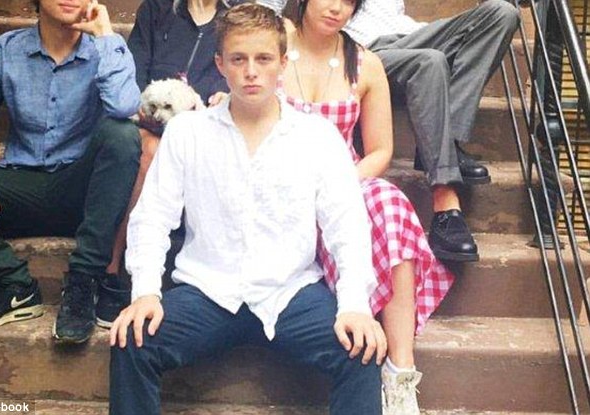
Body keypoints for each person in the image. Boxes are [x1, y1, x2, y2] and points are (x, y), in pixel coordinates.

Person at [109, 4, 385, 415]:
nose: (251, 72)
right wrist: (146, 291)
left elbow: (347, 227)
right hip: (208, 289)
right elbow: (152, 218)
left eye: (263, 59)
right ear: (220, 64)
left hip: (290, 292)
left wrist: (355, 305)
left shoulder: (317, 136)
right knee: (132, 341)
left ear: (283, 63)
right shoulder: (188, 132)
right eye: (238, 59)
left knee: (361, 349)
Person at [274, 0, 456, 413]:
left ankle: (400, 371)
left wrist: (338, 186)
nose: (337, 8)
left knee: (389, 201)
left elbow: (380, 151)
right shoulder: (275, 42)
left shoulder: (365, 63)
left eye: (349, 1)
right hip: (277, 185)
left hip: (342, 183)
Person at [261, 0, 520, 263]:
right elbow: (263, 10)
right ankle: (445, 203)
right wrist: (288, 28)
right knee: (430, 62)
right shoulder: (337, 23)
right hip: (366, 50)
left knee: (502, 13)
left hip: (412, 38)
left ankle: (447, 140)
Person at [0, 0, 141, 344]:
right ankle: (16, 286)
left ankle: (84, 281)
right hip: (19, 189)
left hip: (81, 194)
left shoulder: (106, 48)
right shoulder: (7, 49)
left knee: (123, 134)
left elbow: (124, 106)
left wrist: (105, 34)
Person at [104, 0, 240, 281]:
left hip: (205, 128)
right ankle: (114, 267)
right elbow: (135, 73)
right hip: (151, 123)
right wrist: (145, 108)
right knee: (149, 151)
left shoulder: (236, 17)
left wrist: (223, 96)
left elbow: (237, 75)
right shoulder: (156, 9)